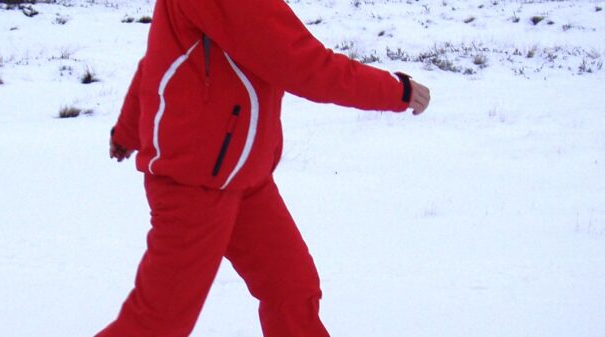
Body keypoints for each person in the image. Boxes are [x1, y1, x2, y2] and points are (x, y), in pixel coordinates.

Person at [98, 0, 431, 336]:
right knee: (158, 324)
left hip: (243, 176)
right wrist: (396, 90)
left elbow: (156, 61)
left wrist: (128, 130)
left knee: (291, 290)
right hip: (194, 184)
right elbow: (303, 64)